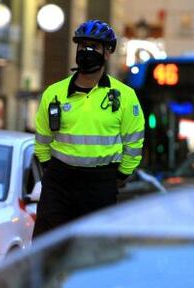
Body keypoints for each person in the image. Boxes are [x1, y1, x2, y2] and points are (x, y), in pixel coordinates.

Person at [33, 20, 145, 238]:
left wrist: (121, 175)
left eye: (94, 46)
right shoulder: (53, 93)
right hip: (59, 183)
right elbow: (42, 139)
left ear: (107, 53)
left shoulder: (125, 96)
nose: (86, 51)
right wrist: (51, 170)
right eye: (82, 45)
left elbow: (134, 143)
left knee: (95, 252)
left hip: (100, 184)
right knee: (46, 249)